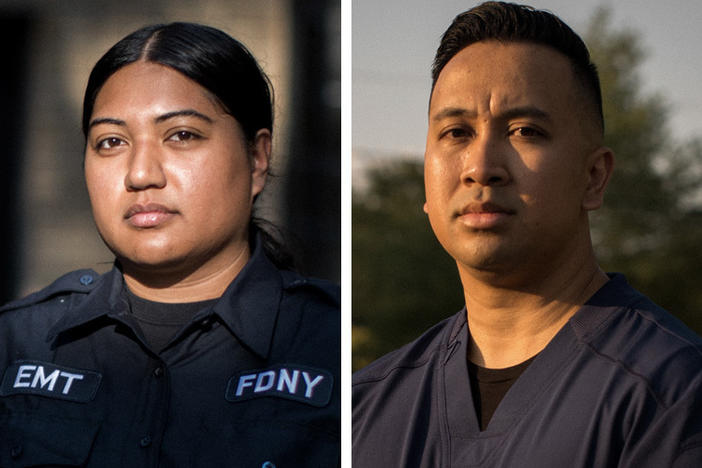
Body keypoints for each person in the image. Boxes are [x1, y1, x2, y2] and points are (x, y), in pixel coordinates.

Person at [352, 2, 702, 467]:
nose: (481, 169)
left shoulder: (671, 391)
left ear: (594, 177)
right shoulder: (363, 409)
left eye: (524, 131)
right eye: (456, 133)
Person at [0, 23, 339, 466]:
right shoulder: (18, 343)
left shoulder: (331, 343)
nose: (141, 173)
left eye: (181, 135)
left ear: (257, 158)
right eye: (111, 142)